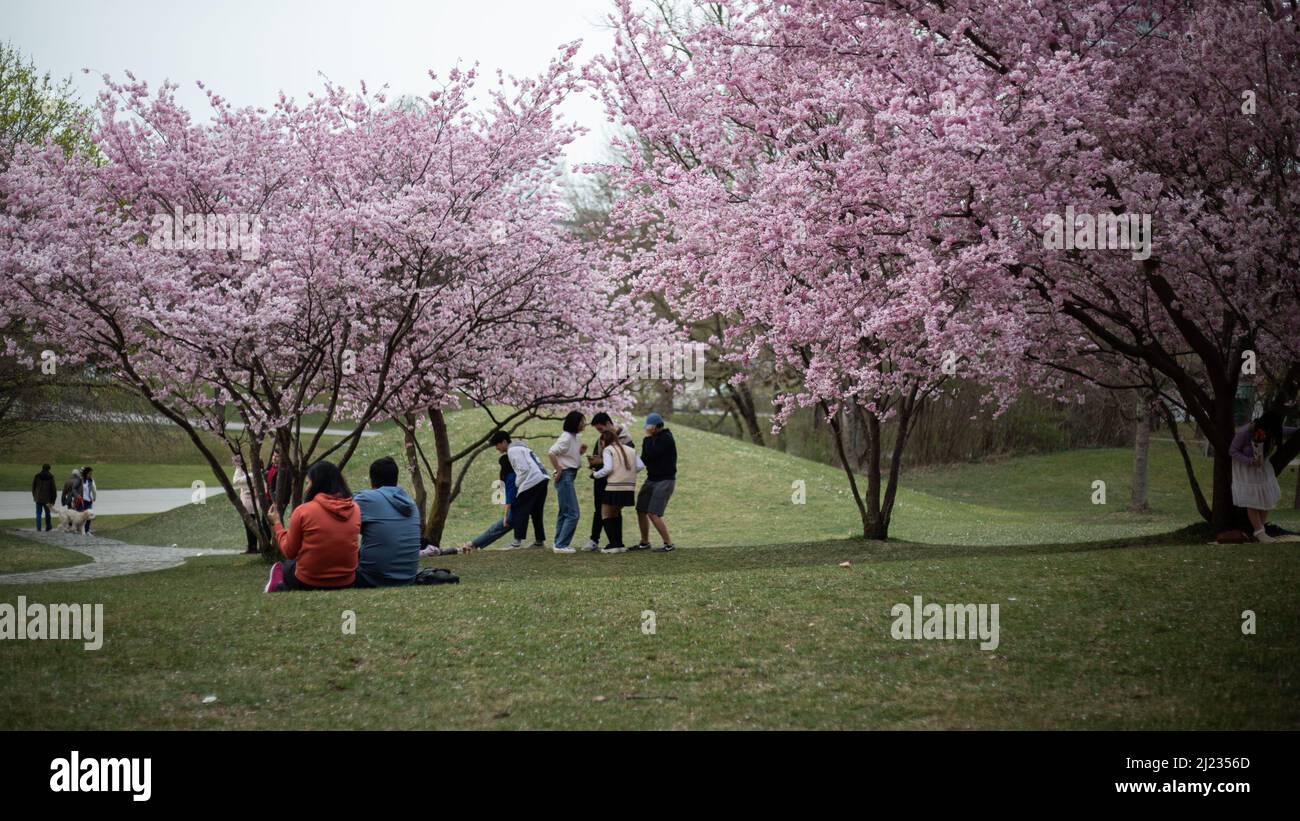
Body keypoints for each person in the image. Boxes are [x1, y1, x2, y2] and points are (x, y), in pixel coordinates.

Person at [264, 460, 360, 592]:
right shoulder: (355, 509)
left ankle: (279, 585)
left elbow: (289, 551)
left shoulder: (303, 511)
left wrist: (277, 523)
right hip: (347, 580)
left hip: (309, 579)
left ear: (316, 485)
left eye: (308, 483)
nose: (306, 488)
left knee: (288, 566)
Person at [352, 456, 421, 588]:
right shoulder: (410, 502)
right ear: (395, 478)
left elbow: (339, 509)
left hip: (371, 578)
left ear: (372, 480)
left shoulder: (368, 499)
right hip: (408, 578)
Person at [1230, 411, 1287, 543]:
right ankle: (1259, 531)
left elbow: (1283, 430)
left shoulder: (1268, 429)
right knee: (1253, 500)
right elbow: (1232, 451)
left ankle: (1260, 531)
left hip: (1262, 467)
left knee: (1267, 497)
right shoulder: (1244, 433)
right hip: (1246, 469)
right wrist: (1249, 461)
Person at [581, 412, 635, 552]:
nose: (600, 433)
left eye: (601, 429)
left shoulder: (626, 440)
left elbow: (625, 461)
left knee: (613, 511)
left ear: (609, 423)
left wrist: (601, 462)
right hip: (601, 480)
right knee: (600, 509)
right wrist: (594, 463)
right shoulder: (601, 440)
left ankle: (615, 542)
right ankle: (598, 539)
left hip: (616, 481)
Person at [490, 430, 549, 550]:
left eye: (497, 444)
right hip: (543, 478)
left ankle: (517, 542)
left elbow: (524, 470)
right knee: (536, 511)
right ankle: (539, 540)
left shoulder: (512, 450)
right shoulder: (522, 447)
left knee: (520, 509)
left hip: (532, 480)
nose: (497, 448)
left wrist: (517, 485)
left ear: (504, 441)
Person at [592, 429, 644, 553]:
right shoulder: (630, 449)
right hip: (629, 488)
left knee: (604, 513)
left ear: (604, 441)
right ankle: (619, 543)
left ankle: (613, 544)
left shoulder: (608, 450)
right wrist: (627, 473)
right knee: (614, 514)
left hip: (614, 486)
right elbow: (640, 465)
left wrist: (595, 474)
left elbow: (608, 468)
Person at [458, 453, 519, 551]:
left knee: (496, 529)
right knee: (496, 529)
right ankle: (474, 544)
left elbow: (509, 500)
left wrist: (505, 516)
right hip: (518, 508)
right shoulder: (515, 475)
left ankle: (473, 544)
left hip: (516, 509)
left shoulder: (511, 477)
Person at [635, 413, 677, 552]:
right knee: (641, 509)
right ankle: (644, 542)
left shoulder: (666, 438)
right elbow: (644, 459)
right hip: (651, 479)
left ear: (657, 426)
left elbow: (654, 453)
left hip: (665, 480)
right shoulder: (649, 440)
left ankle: (668, 544)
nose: (647, 429)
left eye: (650, 427)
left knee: (653, 513)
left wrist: (646, 441)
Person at [547, 411, 586, 553]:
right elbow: (552, 452)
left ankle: (558, 543)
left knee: (564, 512)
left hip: (569, 475)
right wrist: (558, 469)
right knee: (573, 513)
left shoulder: (574, 437)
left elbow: (567, 455)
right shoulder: (567, 437)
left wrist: (580, 452)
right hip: (565, 476)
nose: (584, 424)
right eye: (581, 421)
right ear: (574, 423)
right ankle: (562, 545)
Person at [231, 456, 260, 554]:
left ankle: (252, 547)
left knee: (249, 526)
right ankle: (252, 546)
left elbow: (236, 481)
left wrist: (238, 468)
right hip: (252, 503)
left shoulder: (252, 475)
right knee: (250, 525)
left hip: (248, 503)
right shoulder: (256, 474)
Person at [31, 463, 56, 532]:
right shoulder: (51, 477)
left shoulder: (37, 476)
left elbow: (33, 487)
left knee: (38, 513)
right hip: (47, 499)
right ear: (49, 469)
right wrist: (53, 500)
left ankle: (38, 528)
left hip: (38, 498)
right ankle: (48, 527)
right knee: (47, 513)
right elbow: (53, 490)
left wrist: (35, 496)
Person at [79, 466, 98, 534]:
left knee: (89, 516)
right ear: (85, 473)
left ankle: (87, 530)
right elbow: (75, 489)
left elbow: (94, 489)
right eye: (89, 473)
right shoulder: (80, 480)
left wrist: (94, 497)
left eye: (91, 473)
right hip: (81, 500)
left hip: (89, 500)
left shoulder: (91, 480)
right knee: (81, 516)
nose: (90, 475)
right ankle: (81, 530)